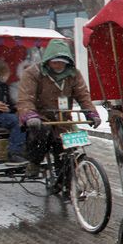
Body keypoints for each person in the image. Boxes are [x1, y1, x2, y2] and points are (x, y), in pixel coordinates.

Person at [17, 39, 101, 179]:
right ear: (48, 60)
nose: (58, 65)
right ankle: (34, 162)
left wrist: (91, 113)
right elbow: (26, 98)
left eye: (62, 61)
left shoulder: (73, 74)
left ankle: (68, 183)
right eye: (55, 61)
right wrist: (30, 115)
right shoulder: (33, 73)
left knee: (67, 149)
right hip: (40, 117)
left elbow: (83, 95)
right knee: (42, 135)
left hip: (63, 118)